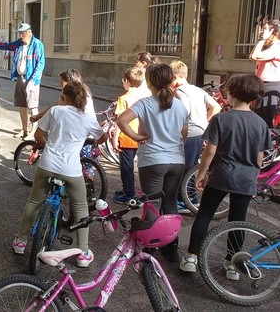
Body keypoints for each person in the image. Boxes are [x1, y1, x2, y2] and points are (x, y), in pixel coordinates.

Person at [179, 74, 271, 274]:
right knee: (238, 221)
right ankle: (232, 263)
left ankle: (191, 258)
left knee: (204, 215)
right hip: (246, 179)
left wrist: (201, 174)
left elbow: (210, 152)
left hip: (222, 175)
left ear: (233, 93)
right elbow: (259, 159)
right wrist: (252, 176)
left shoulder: (221, 119)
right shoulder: (260, 123)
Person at [11, 81, 106, 267]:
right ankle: (83, 253)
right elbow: (101, 137)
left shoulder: (55, 111)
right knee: (80, 207)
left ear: (64, 96)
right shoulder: (88, 117)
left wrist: (49, 145)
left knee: (34, 201)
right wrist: (92, 141)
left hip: (48, 164)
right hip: (71, 169)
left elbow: (38, 136)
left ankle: (21, 242)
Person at [116, 63, 188, 262]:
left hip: (153, 161)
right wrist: (175, 146)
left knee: (152, 204)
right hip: (176, 160)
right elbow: (184, 133)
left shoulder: (145, 103)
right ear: (171, 80)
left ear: (149, 82)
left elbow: (121, 120)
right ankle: (171, 247)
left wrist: (137, 136)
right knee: (170, 203)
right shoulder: (180, 104)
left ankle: (151, 247)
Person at [170, 60, 221, 211]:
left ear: (174, 77)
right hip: (201, 132)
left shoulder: (179, 92)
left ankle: (185, 200)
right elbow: (216, 107)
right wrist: (204, 121)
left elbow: (184, 111)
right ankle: (189, 198)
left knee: (184, 166)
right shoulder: (198, 90)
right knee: (191, 165)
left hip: (189, 133)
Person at [0, 23, 46, 139]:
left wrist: (33, 81)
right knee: (22, 105)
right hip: (21, 77)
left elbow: (40, 64)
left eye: (22, 33)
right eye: (19, 33)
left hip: (31, 79)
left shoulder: (37, 44)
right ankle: (24, 130)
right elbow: (5, 46)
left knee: (32, 106)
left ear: (29, 32)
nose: (20, 35)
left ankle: (33, 132)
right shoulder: (19, 44)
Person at [111, 67, 146, 203]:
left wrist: (115, 138)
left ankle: (129, 193)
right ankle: (133, 190)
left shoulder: (123, 98)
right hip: (141, 135)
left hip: (127, 137)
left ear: (126, 81)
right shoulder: (144, 98)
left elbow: (119, 121)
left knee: (126, 168)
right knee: (141, 167)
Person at [249, 19, 280, 128]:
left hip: (270, 86)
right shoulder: (269, 47)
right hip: (260, 84)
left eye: (265, 30)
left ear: (274, 33)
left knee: (264, 121)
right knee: (256, 117)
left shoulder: (277, 48)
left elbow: (255, 56)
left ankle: (266, 143)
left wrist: (262, 39)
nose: (262, 32)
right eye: (262, 30)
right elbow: (251, 55)